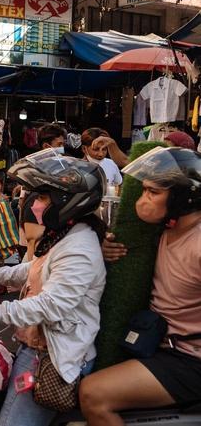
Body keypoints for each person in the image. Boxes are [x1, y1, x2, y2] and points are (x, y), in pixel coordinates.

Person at [0, 149, 107, 426]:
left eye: (43, 196)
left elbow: (52, 305)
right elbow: (35, 268)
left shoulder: (80, 248)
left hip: (51, 355)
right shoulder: (65, 236)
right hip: (36, 345)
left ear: (67, 201)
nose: (35, 204)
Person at [81, 147, 201, 425]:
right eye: (144, 189)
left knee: (93, 394)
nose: (142, 199)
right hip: (157, 343)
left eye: (153, 192)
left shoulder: (196, 244)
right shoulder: (166, 230)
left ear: (183, 197)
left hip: (188, 359)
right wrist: (105, 247)